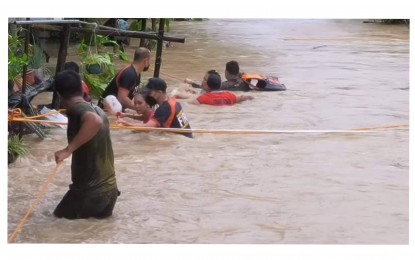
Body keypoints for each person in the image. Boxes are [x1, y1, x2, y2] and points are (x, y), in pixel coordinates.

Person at [53, 70, 120, 220]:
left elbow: (93, 121)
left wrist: (67, 150)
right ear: (82, 88)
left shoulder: (77, 109)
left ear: (59, 94)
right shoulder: (97, 109)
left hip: (90, 193)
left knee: (54, 224)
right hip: (110, 192)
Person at [117, 77, 193, 138]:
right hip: (185, 139)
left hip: (180, 141)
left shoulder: (164, 108)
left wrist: (126, 124)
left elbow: (147, 127)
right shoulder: (173, 101)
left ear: (159, 93)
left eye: (150, 92)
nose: (148, 94)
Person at [99, 47, 151, 111]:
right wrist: (138, 109)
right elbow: (122, 98)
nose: (149, 64)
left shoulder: (137, 74)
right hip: (107, 108)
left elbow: (134, 93)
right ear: (145, 61)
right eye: (149, 61)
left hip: (117, 108)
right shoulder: (129, 74)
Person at [189, 72, 254, 106]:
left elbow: (190, 104)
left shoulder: (203, 98)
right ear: (220, 84)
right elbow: (243, 97)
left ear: (208, 86)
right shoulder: (229, 95)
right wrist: (250, 97)